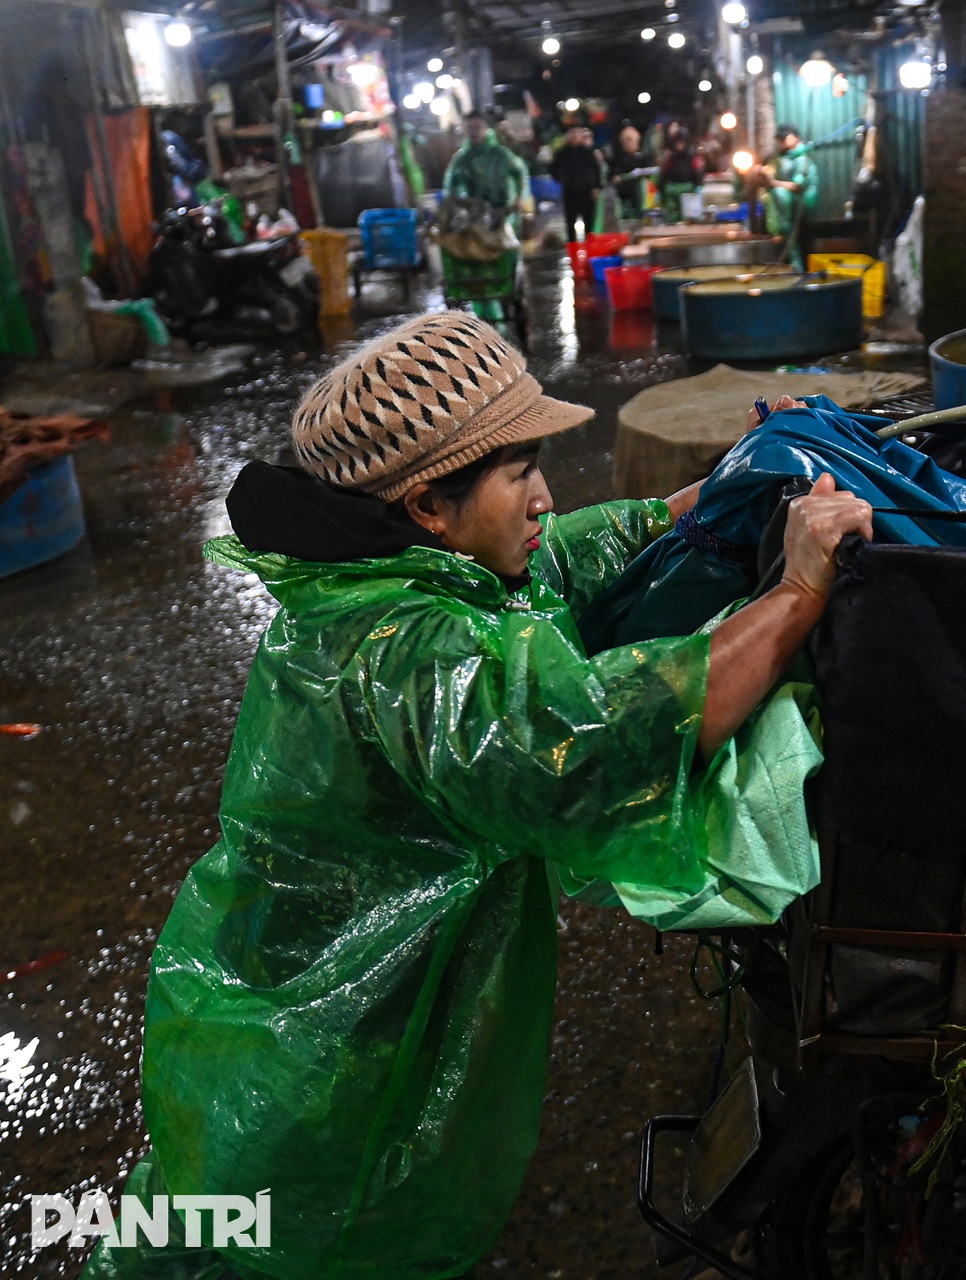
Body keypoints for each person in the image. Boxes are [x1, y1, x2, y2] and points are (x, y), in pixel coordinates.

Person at [82, 312, 871, 1280]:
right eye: (521, 473)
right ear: (427, 503)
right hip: (322, 1032)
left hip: (301, 996)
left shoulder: (408, 566)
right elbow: (592, 747)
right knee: (284, 1235)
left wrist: (731, 484)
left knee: (229, 1218)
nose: (546, 497)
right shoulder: (402, 648)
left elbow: (566, 555)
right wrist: (797, 592)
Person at [443, 110, 532, 226]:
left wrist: (519, 198)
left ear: (486, 128)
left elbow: (519, 173)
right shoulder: (462, 159)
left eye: (478, 127)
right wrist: (457, 206)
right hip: (476, 215)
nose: (474, 131)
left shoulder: (500, 155)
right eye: (470, 127)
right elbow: (451, 186)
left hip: (504, 212)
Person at [759, 123, 818, 266]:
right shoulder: (781, 158)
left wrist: (773, 183)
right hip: (785, 207)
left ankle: (782, 233)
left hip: (799, 202)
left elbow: (797, 186)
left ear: (795, 138)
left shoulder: (801, 159)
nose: (782, 141)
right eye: (780, 138)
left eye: (785, 137)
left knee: (779, 193)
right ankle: (777, 232)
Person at [548, 122, 608, 243]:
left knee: (589, 222)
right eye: (572, 133)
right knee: (570, 223)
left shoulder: (588, 152)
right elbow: (553, 169)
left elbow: (596, 171)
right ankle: (572, 247)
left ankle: (590, 246)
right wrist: (561, 179)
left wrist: (596, 187)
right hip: (570, 192)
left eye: (577, 133)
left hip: (587, 192)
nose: (575, 136)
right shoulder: (562, 153)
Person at [608, 123, 653, 220]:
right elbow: (611, 175)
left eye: (631, 140)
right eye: (626, 141)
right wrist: (615, 178)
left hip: (639, 191)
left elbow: (649, 172)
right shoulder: (617, 159)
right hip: (622, 191)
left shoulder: (642, 158)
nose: (629, 143)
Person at [658, 121, 701, 223]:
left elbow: (698, 173)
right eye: (678, 143)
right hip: (672, 189)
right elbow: (664, 174)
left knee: (690, 217)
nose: (680, 145)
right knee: (672, 216)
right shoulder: (670, 159)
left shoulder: (691, 158)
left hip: (688, 188)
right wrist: (660, 189)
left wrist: (698, 186)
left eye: (682, 143)